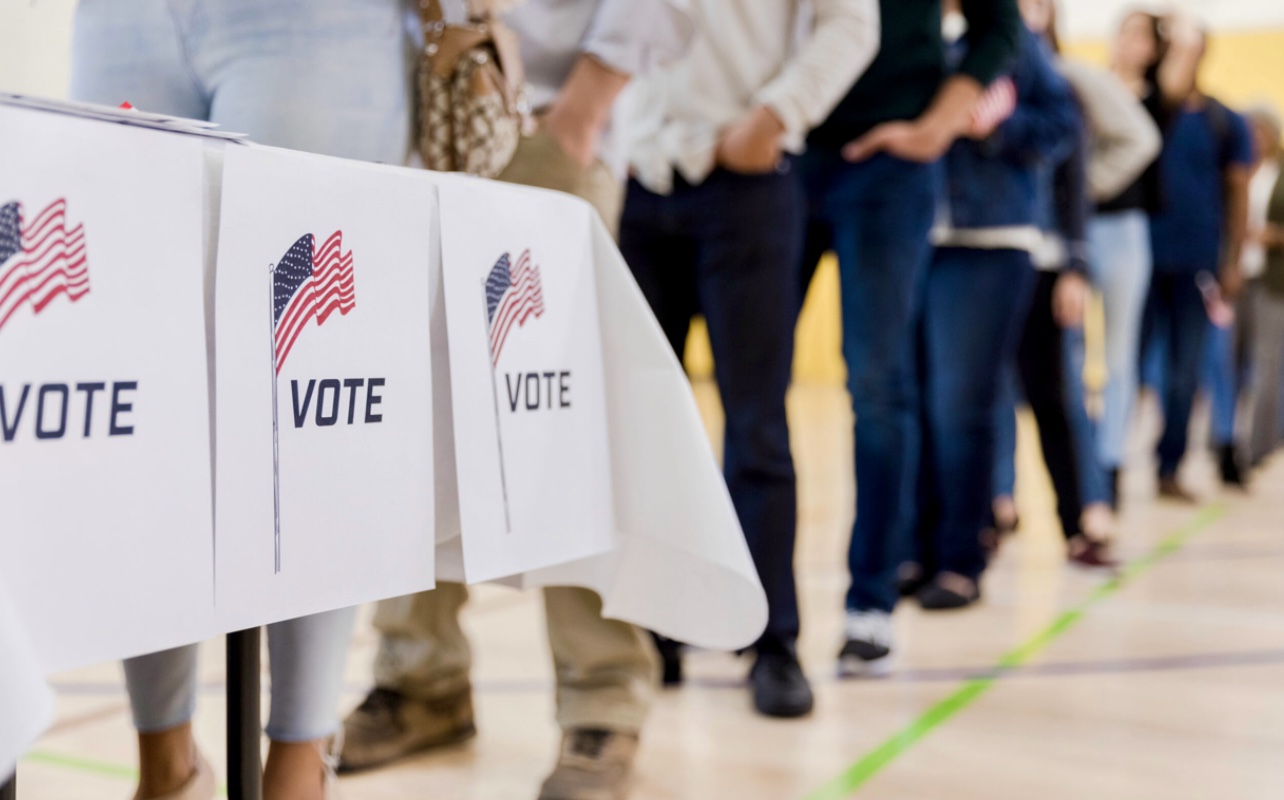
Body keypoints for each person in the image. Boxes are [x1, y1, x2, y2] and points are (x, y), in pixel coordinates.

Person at [337, 4, 693, 799]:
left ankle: (603, 692)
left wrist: (584, 108)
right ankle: (421, 678)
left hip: (543, 124)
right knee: (415, 427)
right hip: (407, 132)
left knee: (557, 431)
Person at [67, 1, 418, 797]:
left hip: (316, 22)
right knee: (133, 378)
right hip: (123, 17)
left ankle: (299, 759)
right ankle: (167, 763)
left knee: (306, 378)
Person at [617, 0, 881, 718]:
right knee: (644, 430)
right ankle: (656, 630)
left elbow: (854, 22)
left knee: (757, 424)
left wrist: (775, 115)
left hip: (746, 183)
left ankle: (772, 642)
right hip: (636, 182)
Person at [797, 0, 1022, 675]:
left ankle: (871, 600)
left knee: (879, 385)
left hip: (889, 168)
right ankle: (746, 604)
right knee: (752, 388)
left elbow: (998, 26)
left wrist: (933, 126)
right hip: (780, 151)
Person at [905, 6, 1078, 611]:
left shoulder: (1011, 39)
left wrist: (996, 129)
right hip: (908, 233)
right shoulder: (904, 27)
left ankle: (959, 558)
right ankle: (914, 548)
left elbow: (1061, 125)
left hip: (992, 238)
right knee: (912, 400)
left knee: (960, 405)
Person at [989, 0, 1159, 571]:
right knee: (984, 396)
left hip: (1045, 257)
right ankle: (993, 508)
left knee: (1056, 393)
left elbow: (1075, 183)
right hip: (985, 253)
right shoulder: (975, 71)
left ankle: (1084, 515)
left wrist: (1076, 265)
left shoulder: (1061, 83)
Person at [1092, 8, 1202, 508]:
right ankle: (1082, 458)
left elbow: (1187, 47)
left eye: (1141, 36)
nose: (1130, 42)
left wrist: (1169, 21)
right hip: (1078, 228)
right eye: (1124, 32)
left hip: (1126, 228)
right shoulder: (1088, 86)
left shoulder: (1157, 100)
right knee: (1068, 352)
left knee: (1122, 355)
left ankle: (1110, 461)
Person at [1141, 27, 1254, 502]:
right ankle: (1102, 473)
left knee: (1188, 371)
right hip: (1140, 257)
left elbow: (1239, 192)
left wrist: (1231, 260)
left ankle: (1170, 465)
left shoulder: (1224, 121)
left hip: (1197, 262)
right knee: (1134, 369)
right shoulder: (1147, 111)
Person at [1244, 106, 1284, 468]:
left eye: (1261, 131)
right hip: (1239, 275)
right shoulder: (1238, 169)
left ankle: (1261, 444)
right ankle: (1223, 443)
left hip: (1274, 279)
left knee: (1267, 364)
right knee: (1227, 364)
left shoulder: (1280, 174)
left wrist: (1273, 236)